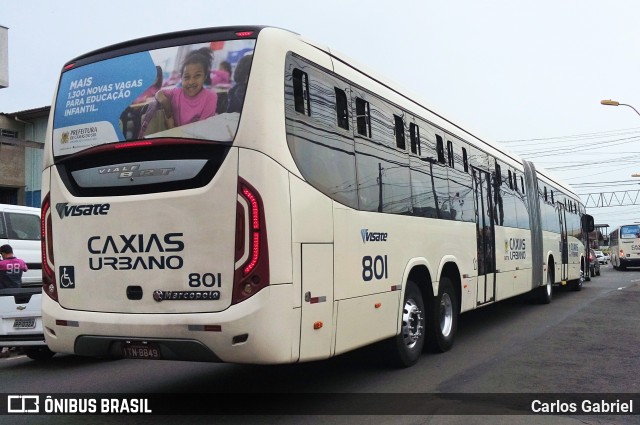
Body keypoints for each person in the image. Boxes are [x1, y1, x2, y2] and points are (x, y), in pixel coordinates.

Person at [155, 48, 217, 129]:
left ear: (205, 76)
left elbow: (203, 130)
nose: (191, 82)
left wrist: (171, 126)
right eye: (187, 77)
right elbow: (159, 93)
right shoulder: (175, 93)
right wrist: (164, 101)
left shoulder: (210, 97)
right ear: (181, 78)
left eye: (197, 76)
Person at [0, 244, 28, 358]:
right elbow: (25, 269)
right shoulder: (21, 262)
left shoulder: (1, 264)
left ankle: (5, 348)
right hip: (17, 293)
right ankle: (22, 347)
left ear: (3, 253)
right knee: (19, 318)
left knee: (5, 320)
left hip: (4, 294)